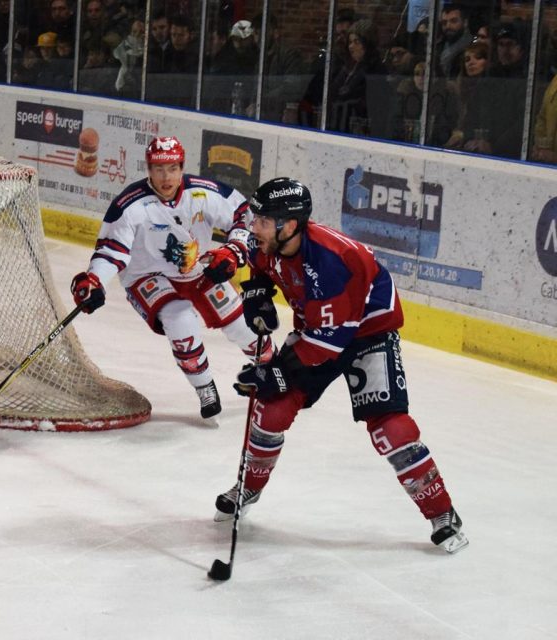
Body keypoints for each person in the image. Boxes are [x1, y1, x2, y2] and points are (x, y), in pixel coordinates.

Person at [216, 177, 467, 554]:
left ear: (289, 225)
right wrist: (257, 293)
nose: (255, 226)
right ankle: (249, 487)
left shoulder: (335, 261)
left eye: (264, 221)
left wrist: (278, 372)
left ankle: (442, 514)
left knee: (391, 429)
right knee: (270, 410)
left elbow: (326, 346)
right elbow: (261, 267)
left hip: (368, 333)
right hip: (320, 329)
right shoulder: (266, 242)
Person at [69, 136, 271, 420]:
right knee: (180, 318)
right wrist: (94, 280)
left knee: (242, 326)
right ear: (148, 169)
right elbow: (111, 250)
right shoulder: (130, 205)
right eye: (159, 169)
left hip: (196, 269)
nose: (167, 177)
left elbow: (245, 215)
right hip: (145, 275)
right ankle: (205, 387)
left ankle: (275, 370)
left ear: (181, 167)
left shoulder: (203, 193)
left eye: (173, 168)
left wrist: (233, 251)